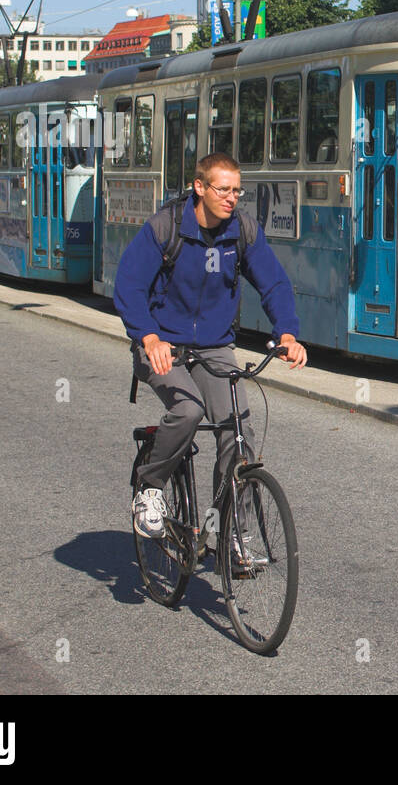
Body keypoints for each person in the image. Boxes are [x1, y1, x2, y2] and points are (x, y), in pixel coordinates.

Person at [115, 152, 306, 542]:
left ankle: (232, 533)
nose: (232, 198)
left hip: (214, 347)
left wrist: (286, 332)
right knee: (187, 410)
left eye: (238, 190)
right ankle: (150, 488)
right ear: (199, 187)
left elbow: (274, 284)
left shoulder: (242, 232)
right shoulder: (165, 227)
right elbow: (129, 286)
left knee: (238, 433)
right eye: (223, 189)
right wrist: (148, 336)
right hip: (161, 344)